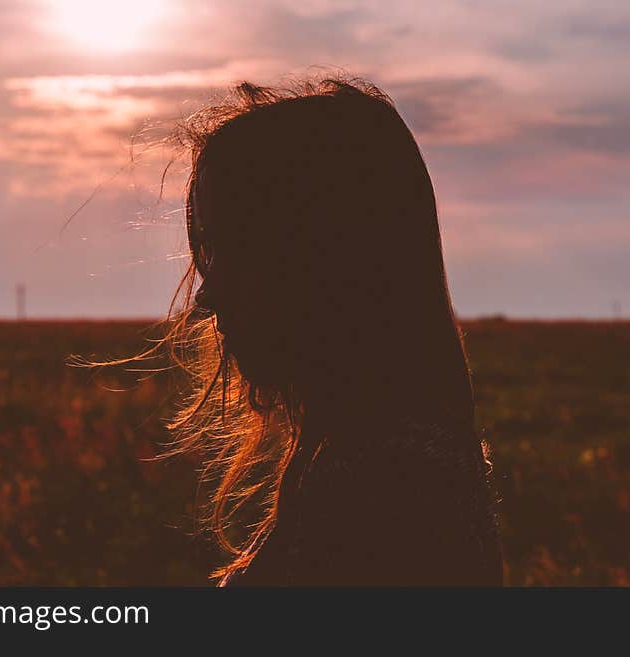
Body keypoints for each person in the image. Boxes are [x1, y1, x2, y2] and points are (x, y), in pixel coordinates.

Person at [134, 76, 504, 585]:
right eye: (207, 252)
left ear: (333, 257)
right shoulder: (379, 458)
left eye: (244, 249)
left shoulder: (387, 486)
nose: (207, 298)